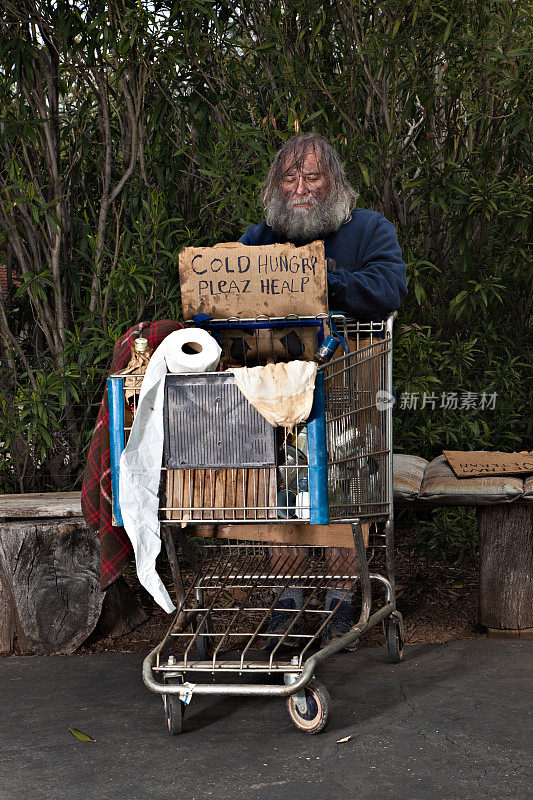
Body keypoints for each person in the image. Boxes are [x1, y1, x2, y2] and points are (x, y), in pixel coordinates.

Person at [239, 134, 407, 649]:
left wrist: (325, 280)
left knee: (341, 488)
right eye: (290, 179)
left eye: (313, 178)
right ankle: (288, 600)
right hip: (275, 396)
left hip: (349, 391)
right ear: (275, 187)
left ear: (333, 181)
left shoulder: (370, 228)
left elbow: (390, 287)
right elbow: (228, 295)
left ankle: (341, 597)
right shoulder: (258, 238)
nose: (302, 189)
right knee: (280, 489)